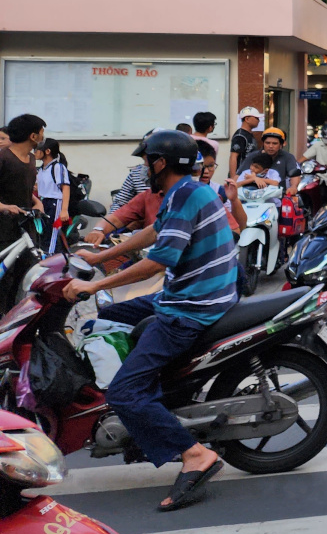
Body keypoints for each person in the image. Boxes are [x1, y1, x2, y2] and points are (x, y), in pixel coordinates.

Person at [63, 130, 238, 512]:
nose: (144, 168)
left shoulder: (188, 194)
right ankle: (154, 402)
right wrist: (98, 257)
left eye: (147, 161)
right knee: (109, 316)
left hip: (189, 308)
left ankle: (194, 454)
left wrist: (96, 285)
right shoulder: (185, 193)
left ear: (160, 163)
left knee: (124, 392)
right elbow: (155, 232)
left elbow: (158, 261)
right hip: (190, 295)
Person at [0, 114, 44, 250]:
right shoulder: (3, 157)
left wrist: (37, 202)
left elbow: (21, 187)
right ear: (33, 136)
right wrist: (4, 207)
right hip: (3, 228)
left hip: (25, 224)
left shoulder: (31, 158)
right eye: (42, 133)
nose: (43, 137)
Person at [34, 138, 70, 253]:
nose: (35, 152)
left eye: (37, 150)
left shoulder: (58, 167)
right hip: (43, 202)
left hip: (55, 202)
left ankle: (51, 257)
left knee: (52, 234)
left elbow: (65, 188)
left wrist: (64, 210)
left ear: (47, 151)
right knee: (43, 233)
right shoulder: (41, 169)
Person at [258, 128, 300, 194]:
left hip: (279, 195)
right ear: (263, 143)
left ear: (281, 145)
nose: (271, 146)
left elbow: (294, 176)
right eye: (267, 143)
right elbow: (239, 174)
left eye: (274, 143)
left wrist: (293, 187)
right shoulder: (253, 156)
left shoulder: (288, 157)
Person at [227, 106, 262, 176]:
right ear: (247, 119)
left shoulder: (249, 134)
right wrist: (233, 177)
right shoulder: (240, 136)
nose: (258, 120)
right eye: (256, 118)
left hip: (248, 174)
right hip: (240, 175)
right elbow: (233, 157)